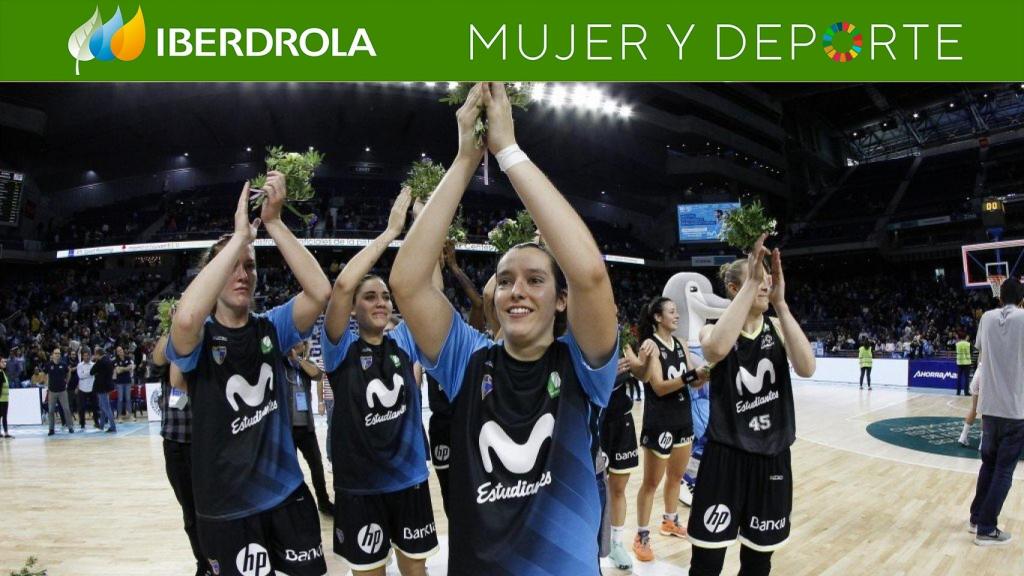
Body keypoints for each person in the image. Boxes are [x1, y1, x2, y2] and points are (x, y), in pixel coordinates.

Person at [390, 83, 618, 575]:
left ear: (561, 300)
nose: (516, 290)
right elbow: (406, 283)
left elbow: (591, 274)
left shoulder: (582, 364)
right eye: (506, 279)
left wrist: (509, 151)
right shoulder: (469, 359)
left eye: (535, 280)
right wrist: (465, 160)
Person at [166, 172, 331, 576]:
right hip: (226, 508)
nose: (242, 274)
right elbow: (185, 317)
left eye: (250, 267)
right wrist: (240, 238)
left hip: (286, 494)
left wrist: (273, 224)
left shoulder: (271, 327)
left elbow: (320, 293)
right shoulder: (199, 337)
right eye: (231, 268)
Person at [322, 187, 439, 576]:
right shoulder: (340, 349)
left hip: (409, 481)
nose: (380, 302)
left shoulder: (404, 341)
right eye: (369, 296)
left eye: (385, 296)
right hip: (360, 488)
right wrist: (390, 234)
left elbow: (430, 292)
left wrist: (423, 223)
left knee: (416, 571)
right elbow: (340, 287)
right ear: (355, 307)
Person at [687, 235, 815, 576]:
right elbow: (714, 351)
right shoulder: (713, 330)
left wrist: (782, 304)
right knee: (707, 561)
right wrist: (751, 285)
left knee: (759, 562)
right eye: (757, 278)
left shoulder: (778, 326)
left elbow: (807, 367)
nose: (765, 285)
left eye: (768, 279)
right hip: (725, 456)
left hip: (772, 457)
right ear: (733, 288)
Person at [633, 297, 709, 563]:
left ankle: (670, 521)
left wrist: (705, 374)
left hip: (682, 418)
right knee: (651, 482)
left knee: (676, 476)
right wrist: (691, 376)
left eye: (677, 312)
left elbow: (694, 384)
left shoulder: (681, 344)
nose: (677, 316)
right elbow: (659, 386)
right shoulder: (650, 345)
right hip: (659, 420)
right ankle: (641, 535)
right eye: (672, 312)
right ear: (657, 317)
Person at [968, 276, 1024, 546]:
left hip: (988, 408)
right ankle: (987, 528)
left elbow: (981, 353)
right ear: (1022, 299)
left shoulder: (986, 319)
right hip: (1015, 409)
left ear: (999, 297)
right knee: (1003, 471)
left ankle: (976, 517)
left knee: (988, 465)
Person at [152, 330, 211, 576]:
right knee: (189, 512)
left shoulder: (204, 351)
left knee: (209, 509)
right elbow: (156, 358)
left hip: (205, 444)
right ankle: (203, 563)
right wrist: (174, 327)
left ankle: (218, 558)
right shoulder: (168, 355)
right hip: (175, 443)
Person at [284, 340, 333, 517]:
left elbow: (318, 375)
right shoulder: (280, 364)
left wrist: (298, 360)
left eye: (301, 343)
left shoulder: (306, 365)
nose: (297, 344)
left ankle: (323, 502)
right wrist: (290, 358)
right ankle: (292, 505)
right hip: (286, 428)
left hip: (306, 427)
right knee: (290, 469)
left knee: (317, 467)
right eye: (294, 342)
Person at [46, 347, 75, 436]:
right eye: (56, 353)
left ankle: (70, 427)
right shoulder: (49, 365)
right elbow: (47, 375)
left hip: (62, 391)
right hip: (52, 391)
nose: (57, 355)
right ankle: (51, 429)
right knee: (51, 410)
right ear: (52, 355)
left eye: (58, 353)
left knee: (66, 409)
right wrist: (47, 385)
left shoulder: (64, 364)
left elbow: (69, 372)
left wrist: (67, 381)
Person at [91, 346, 117, 433]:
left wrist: (97, 366)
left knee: (106, 407)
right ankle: (101, 425)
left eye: (95, 355)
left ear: (98, 355)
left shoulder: (100, 362)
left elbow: (91, 371)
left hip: (101, 387)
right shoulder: (109, 360)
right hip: (108, 386)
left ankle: (113, 426)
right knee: (102, 407)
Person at [75, 348, 99, 429]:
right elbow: (80, 376)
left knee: (95, 407)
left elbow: (92, 374)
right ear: (82, 356)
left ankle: (96, 422)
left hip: (92, 388)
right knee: (81, 408)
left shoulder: (93, 365)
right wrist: (90, 373)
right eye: (84, 356)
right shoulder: (79, 365)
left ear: (90, 356)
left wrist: (85, 374)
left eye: (87, 355)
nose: (86, 357)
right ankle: (82, 423)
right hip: (82, 389)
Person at [113, 345, 134, 420]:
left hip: (127, 381)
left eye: (121, 350)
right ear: (117, 353)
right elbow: (118, 371)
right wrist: (126, 368)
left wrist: (122, 368)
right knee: (120, 399)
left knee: (128, 398)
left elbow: (130, 368)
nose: (120, 351)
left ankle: (130, 415)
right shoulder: (115, 360)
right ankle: (119, 416)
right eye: (118, 351)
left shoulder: (128, 358)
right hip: (119, 382)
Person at [0, 356, 11, 438]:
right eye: (3, 362)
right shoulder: (0, 373)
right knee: (4, 417)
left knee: (3, 416)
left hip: (4, 399)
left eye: (5, 362)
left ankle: (4, 432)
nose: (5, 363)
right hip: (2, 399)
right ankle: (6, 433)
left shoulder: (2, 372)